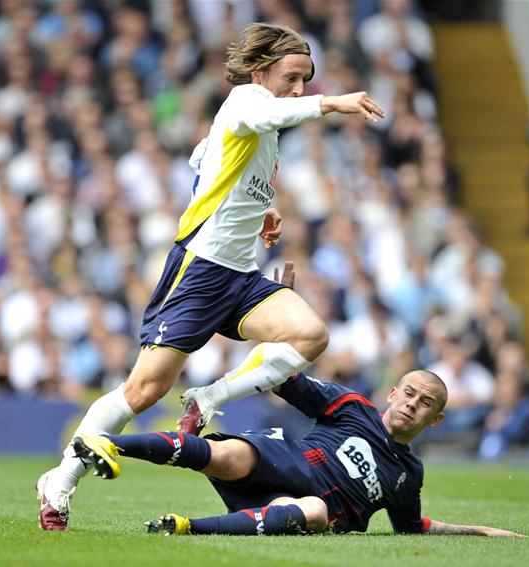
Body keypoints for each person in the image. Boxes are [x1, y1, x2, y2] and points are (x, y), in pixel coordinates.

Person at [37, 22, 385, 531]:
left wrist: (261, 209)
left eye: (307, 80)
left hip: (241, 276)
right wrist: (332, 103)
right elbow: (265, 115)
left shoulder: (259, 125)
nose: (299, 89)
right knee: (143, 393)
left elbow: (204, 157)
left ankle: (210, 397)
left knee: (311, 334)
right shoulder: (247, 99)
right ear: (260, 71)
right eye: (291, 77)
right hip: (199, 272)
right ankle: (60, 480)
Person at [72, 369, 524, 537]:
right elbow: (287, 381)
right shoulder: (353, 406)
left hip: (314, 508)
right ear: (392, 393)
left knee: (309, 511)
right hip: (286, 460)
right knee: (229, 455)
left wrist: (478, 531)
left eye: (425, 403)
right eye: (408, 393)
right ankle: (105, 443)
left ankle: (187, 528)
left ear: (435, 420)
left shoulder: (409, 474)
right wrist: (281, 327)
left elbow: (412, 528)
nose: (411, 404)